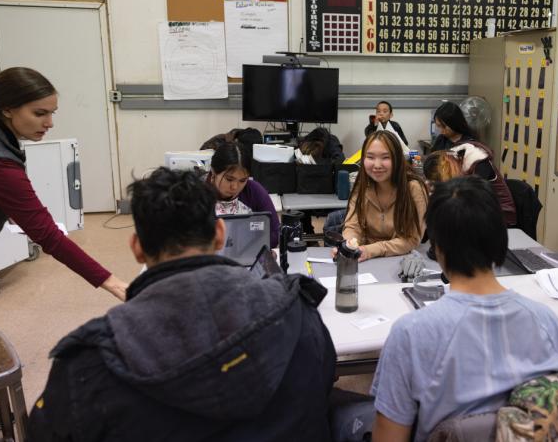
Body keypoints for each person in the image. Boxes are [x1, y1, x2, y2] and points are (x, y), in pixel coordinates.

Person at [28, 167, 337, 441]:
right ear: (219, 234)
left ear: (137, 248)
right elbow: (322, 391)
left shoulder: (87, 365)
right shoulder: (296, 310)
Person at [0, 67, 127, 440]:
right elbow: (46, 234)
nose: (50, 123)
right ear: (8, 109)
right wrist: (113, 282)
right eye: (40, 113)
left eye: (52, 112)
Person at [370, 176, 558, 442]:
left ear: (437, 249)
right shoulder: (546, 321)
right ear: (501, 241)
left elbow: (389, 437)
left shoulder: (411, 333)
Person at [342, 132, 428, 261]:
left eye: (385, 157)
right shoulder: (362, 185)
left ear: (397, 159)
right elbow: (353, 226)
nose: (377, 165)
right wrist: (348, 247)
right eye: (370, 157)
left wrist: (370, 250)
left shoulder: (414, 188)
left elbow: (411, 239)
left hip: (401, 260)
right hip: (367, 261)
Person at [206, 141, 279, 248]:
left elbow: (274, 232)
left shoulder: (254, 191)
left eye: (242, 180)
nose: (235, 187)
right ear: (214, 172)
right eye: (229, 179)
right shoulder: (198, 195)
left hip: (247, 257)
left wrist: (248, 246)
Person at [423, 145, 516, 226]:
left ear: (446, 169)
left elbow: (471, 204)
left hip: (499, 217)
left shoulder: (480, 166)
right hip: (476, 214)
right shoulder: (456, 158)